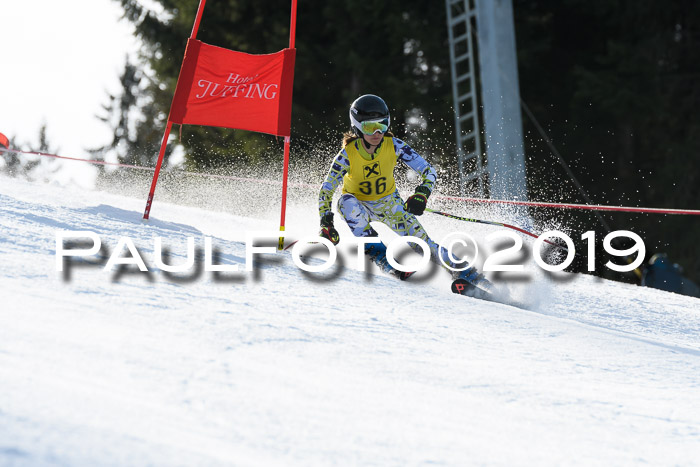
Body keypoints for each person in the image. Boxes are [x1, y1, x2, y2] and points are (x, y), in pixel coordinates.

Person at [317, 94, 488, 292]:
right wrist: (326, 223)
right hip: (360, 206)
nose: (377, 133)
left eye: (382, 125)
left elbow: (428, 171)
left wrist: (421, 194)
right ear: (357, 127)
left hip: (391, 205)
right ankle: (381, 256)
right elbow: (326, 189)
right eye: (369, 127)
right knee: (346, 202)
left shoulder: (394, 145)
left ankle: (468, 274)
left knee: (423, 246)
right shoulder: (348, 154)